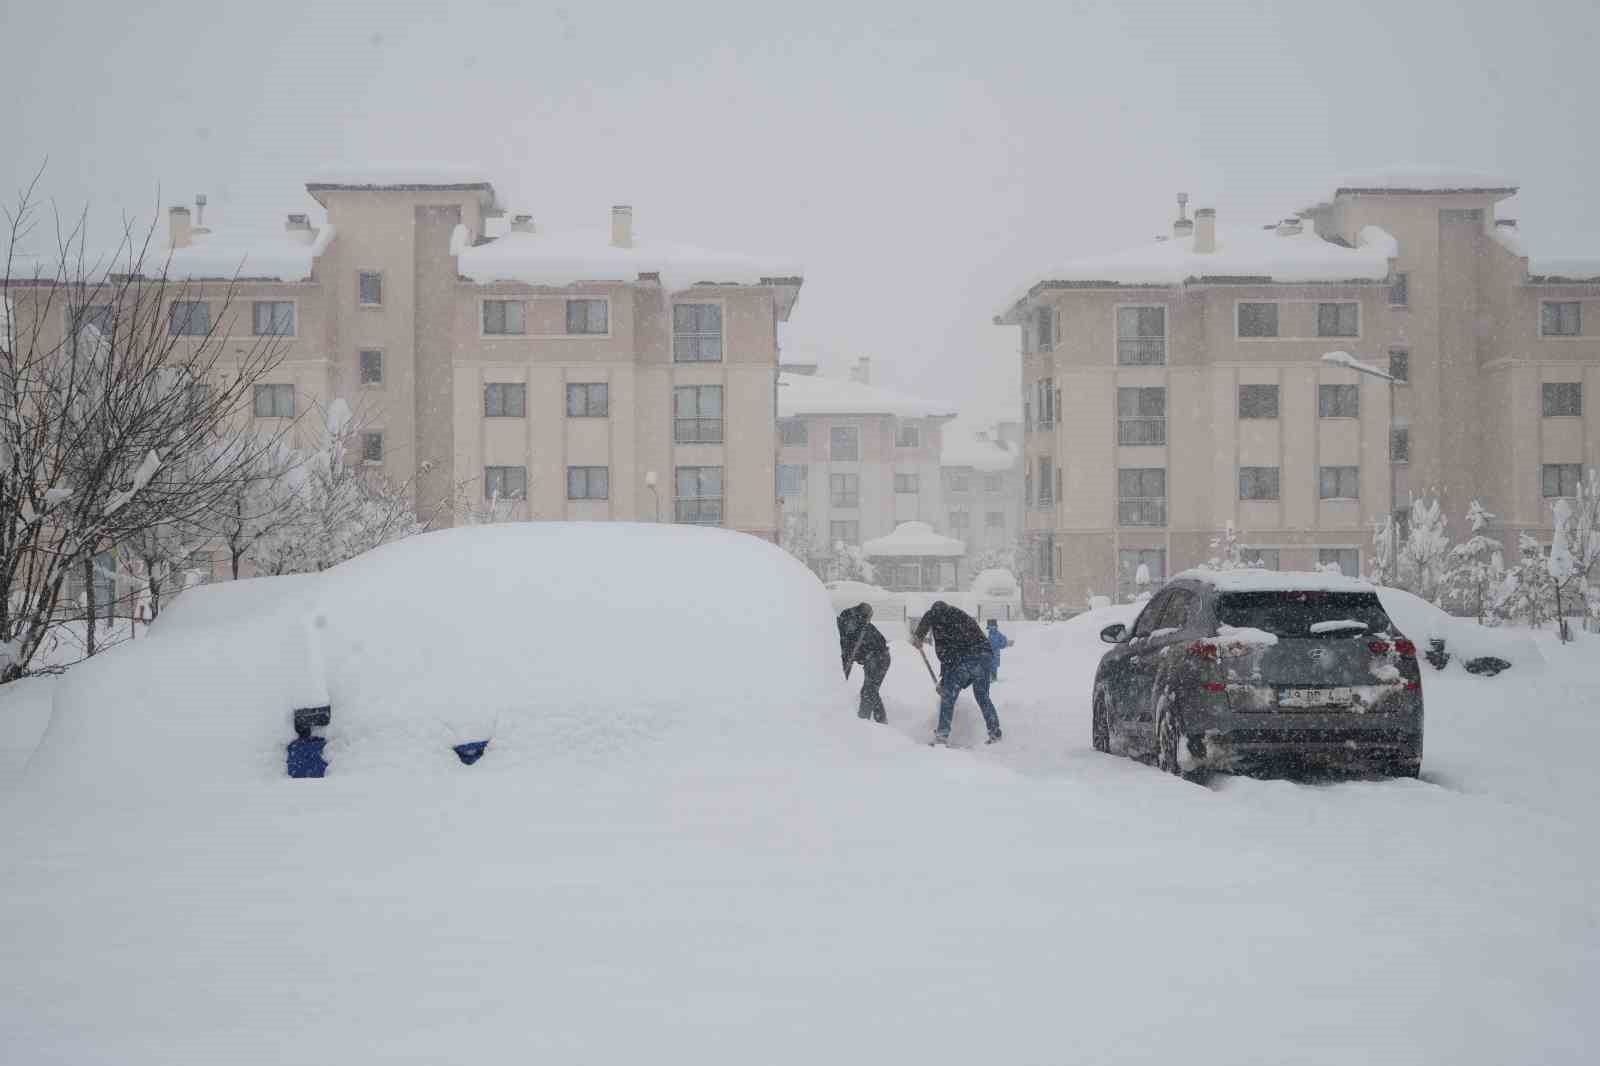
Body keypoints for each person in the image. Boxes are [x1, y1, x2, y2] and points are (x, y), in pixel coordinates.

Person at [912, 600, 1002, 745]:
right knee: (982, 696)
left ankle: (942, 735)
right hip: (984, 655)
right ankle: (995, 732)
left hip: (967, 658)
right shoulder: (957, 616)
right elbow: (951, 656)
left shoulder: (941, 623)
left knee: (948, 696)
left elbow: (950, 657)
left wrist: (918, 636)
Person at [837, 602, 890, 724]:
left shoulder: (855, 628)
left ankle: (863, 722)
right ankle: (881, 720)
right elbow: (846, 659)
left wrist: (841, 680)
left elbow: (847, 659)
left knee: (868, 691)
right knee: (869, 690)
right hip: (874, 656)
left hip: (879, 658)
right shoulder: (850, 625)